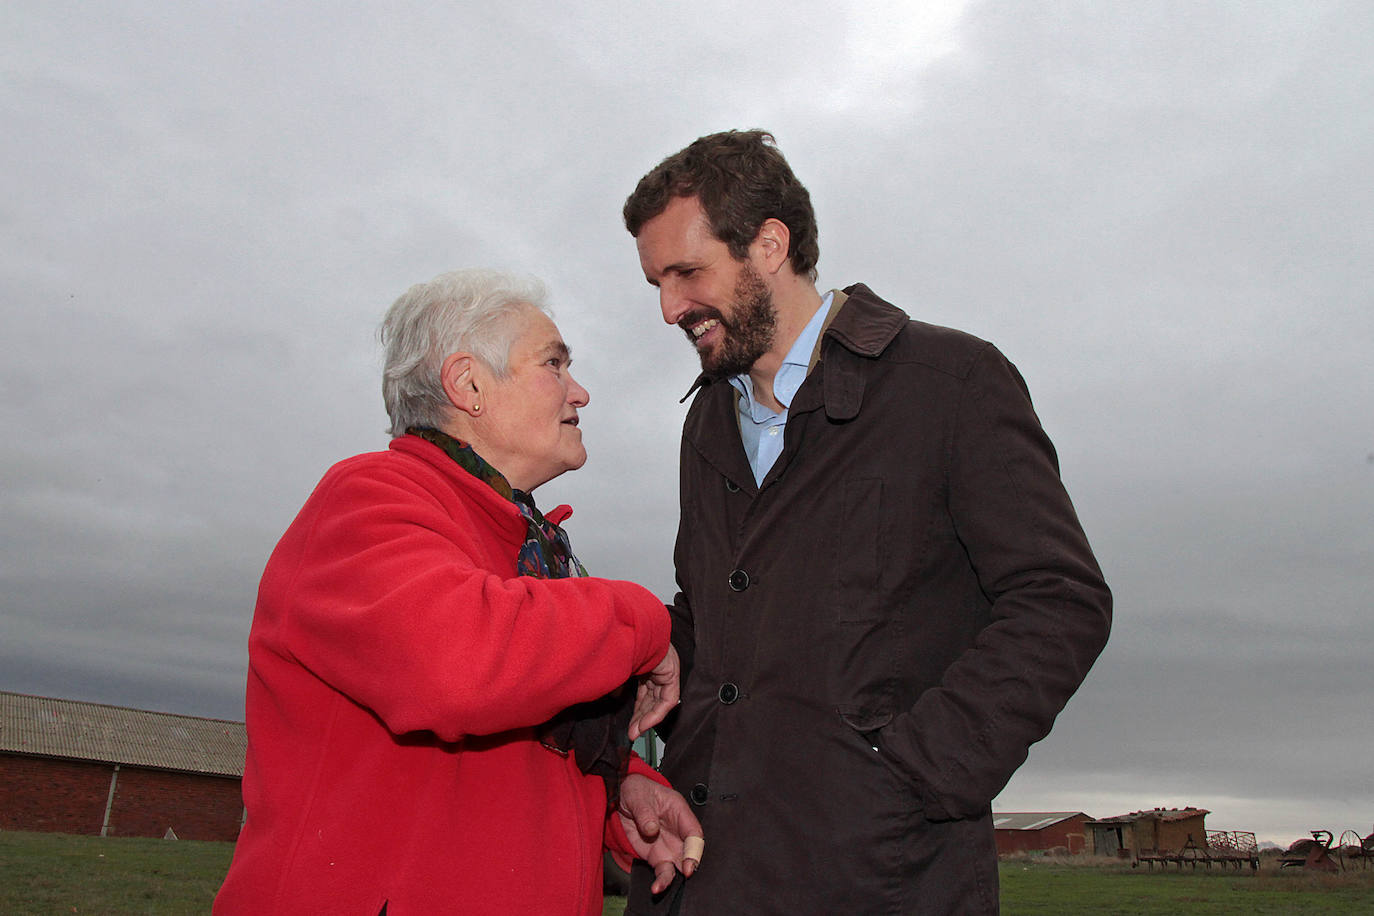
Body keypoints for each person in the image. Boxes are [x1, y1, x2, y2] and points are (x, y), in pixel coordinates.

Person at [620, 131, 1112, 914]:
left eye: (686, 272)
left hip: (880, 874)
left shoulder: (951, 383)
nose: (669, 307)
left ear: (769, 245)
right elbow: (721, 612)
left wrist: (914, 773)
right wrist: (659, 658)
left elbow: (1060, 600)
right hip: (706, 869)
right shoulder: (707, 421)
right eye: (655, 282)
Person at [215, 269, 702, 915]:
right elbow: (459, 670)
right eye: (553, 363)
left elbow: (514, 737)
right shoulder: (367, 500)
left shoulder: (528, 547)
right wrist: (645, 623)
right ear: (468, 382)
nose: (579, 392)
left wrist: (621, 788)